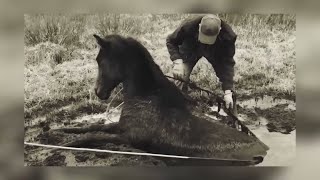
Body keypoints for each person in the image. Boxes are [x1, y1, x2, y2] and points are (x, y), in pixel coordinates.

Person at [166, 14, 237, 110]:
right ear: (199, 27)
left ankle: (233, 118)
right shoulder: (188, 25)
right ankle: (174, 106)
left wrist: (228, 91)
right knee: (180, 77)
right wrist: (177, 61)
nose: (205, 42)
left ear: (219, 31)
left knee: (230, 92)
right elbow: (171, 40)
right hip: (191, 48)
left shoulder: (228, 36)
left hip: (215, 51)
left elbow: (227, 63)